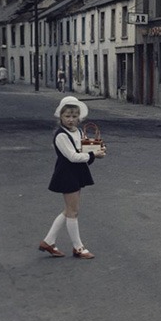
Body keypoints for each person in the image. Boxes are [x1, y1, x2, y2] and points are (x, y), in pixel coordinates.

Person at [39, 96, 106, 259]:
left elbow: (83, 148)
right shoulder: (61, 135)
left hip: (75, 173)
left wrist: (98, 149)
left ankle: (48, 241)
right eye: (67, 116)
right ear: (60, 116)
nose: (71, 119)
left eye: (74, 116)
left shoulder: (79, 131)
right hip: (66, 174)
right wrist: (92, 155)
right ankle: (78, 248)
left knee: (69, 210)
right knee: (73, 212)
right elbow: (73, 156)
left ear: (79, 117)